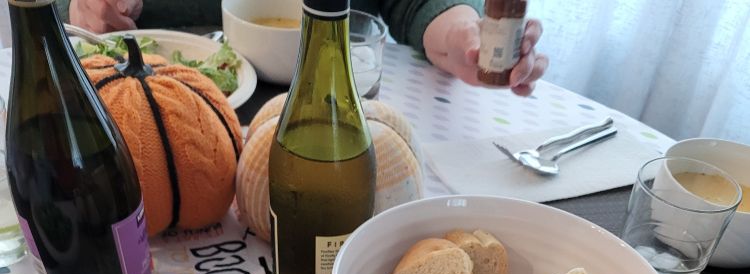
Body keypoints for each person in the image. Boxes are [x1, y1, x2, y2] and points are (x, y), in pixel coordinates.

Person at [61, 1, 547, 94]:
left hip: (335, 92)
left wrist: (466, 35)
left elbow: (414, 4)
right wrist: (82, 6)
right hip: (155, 95)